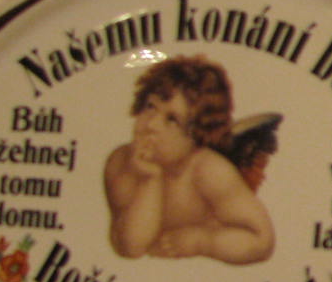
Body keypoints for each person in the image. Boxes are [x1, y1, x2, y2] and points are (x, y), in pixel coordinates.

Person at [104, 56, 276, 264]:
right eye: (150, 107)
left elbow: (261, 241)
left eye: (172, 120)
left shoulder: (209, 171)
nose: (151, 124)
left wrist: (203, 242)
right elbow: (130, 247)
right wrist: (150, 180)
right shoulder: (121, 162)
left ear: (196, 136)